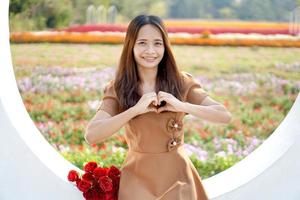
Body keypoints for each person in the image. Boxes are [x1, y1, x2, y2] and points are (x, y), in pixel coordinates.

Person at [85, 14, 232, 200]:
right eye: (142, 43)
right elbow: (92, 135)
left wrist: (181, 105)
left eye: (157, 43)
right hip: (136, 179)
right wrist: (134, 110)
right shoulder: (119, 88)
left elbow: (224, 115)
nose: (150, 50)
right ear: (131, 46)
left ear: (165, 47)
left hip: (178, 177)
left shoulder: (182, 82)